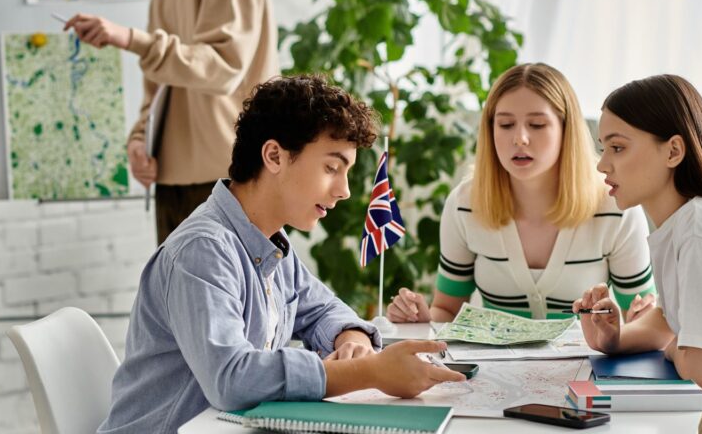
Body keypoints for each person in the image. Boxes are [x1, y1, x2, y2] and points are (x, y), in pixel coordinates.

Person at [98, 75, 465, 434]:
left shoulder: (269, 242)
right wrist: (368, 372)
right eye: (331, 168)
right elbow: (231, 378)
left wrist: (351, 337)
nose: (344, 191)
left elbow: (322, 308)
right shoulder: (204, 250)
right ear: (274, 156)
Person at [68, 0, 280, 244]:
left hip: (228, 179)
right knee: (175, 302)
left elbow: (223, 68)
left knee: (233, 302)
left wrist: (129, 38)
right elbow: (157, 91)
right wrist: (138, 140)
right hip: (173, 182)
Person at [386, 63, 656, 323]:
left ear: (567, 130)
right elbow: (446, 309)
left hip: (588, 368)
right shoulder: (464, 204)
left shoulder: (616, 206)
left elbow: (641, 317)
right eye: (505, 125)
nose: (520, 139)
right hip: (494, 369)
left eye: (537, 125)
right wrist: (422, 320)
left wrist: (643, 318)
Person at [573, 75, 702, 433]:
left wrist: (674, 347)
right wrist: (615, 337)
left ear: (673, 151)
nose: (602, 164)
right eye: (603, 147)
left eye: (618, 148)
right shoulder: (681, 224)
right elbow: (670, 318)